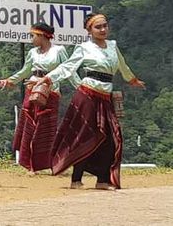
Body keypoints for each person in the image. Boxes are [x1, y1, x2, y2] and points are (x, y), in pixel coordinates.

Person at [33, 12, 145, 190]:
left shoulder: (112, 46)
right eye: (98, 27)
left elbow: (122, 65)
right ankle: (76, 179)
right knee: (84, 135)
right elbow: (68, 66)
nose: (102, 29)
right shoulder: (84, 47)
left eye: (105, 26)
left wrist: (132, 79)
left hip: (105, 96)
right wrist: (48, 78)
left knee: (110, 138)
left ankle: (102, 179)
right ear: (89, 31)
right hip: (87, 96)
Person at [0, 22, 79, 173]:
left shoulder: (59, 50)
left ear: (42, 36)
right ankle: (29, 165)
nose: (31, 39)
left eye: (33, 35)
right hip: (32, 90)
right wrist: (9, 80)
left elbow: (70, 70)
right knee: (30, 126)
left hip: (50, 92)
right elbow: (25, 71)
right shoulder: (33, 53)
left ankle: (49, 164)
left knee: (46, 128)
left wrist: (80, 88)